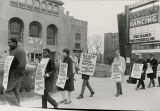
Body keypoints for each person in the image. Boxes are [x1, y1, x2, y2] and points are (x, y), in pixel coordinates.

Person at [3, 38, 26, 106]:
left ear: (15, 42)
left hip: (16, 75)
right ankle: (17, 107)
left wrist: (16, 74)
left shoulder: (19, 51)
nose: (8, 44)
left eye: (9, 42)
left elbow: (22, 64)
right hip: (13, 74)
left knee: (7, 91)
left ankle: (16, 107)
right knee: (15, 91)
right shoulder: (13, 50)